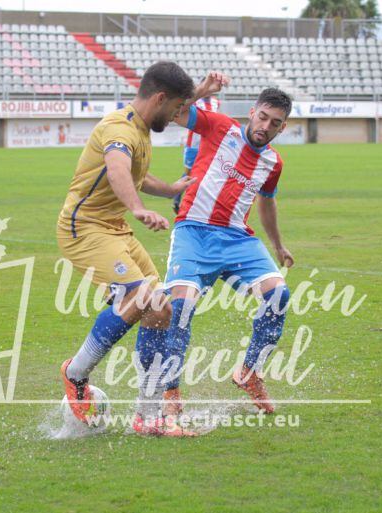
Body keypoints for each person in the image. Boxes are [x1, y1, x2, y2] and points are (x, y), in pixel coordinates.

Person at [56, 62, 227, 437]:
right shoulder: (119, 129)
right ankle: (75, 373)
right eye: (178, 107)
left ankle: (147, 418)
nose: (181, 115)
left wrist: (168, 189)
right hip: (83, 229)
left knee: (160, 308)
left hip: (115, 231)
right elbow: (118, 169)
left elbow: (135, 173)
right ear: (161, 99)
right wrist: (137, 208)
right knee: (141, 296)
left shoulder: (143, 122)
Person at [160, 88, 295, 418]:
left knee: (278, 296)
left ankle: (249, 373)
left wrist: (277, 244)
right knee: (180, 306)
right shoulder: (219, 126)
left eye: (274, 122)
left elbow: (267, 201)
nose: (265, 126)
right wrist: (201, 92)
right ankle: (170, 391)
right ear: (252, 112)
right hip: (193, 230)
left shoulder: (273, 162)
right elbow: (174, 112)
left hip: (237, 239)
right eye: (262, 117)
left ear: (283, 128)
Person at [173, 96, 220, 214]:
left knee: (208, 171)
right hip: (193, 144)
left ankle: (203, 203)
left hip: (209, 143)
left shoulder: (216, 102)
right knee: (188, 173)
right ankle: (176, 198)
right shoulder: (195, 101)